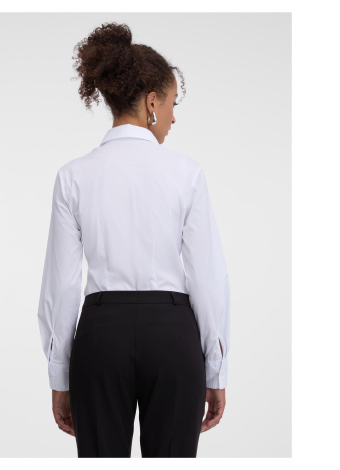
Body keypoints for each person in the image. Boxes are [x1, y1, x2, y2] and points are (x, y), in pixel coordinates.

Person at [37, 22, 230, 458]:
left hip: (100, 337)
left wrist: (59, 375)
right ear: (151, 102)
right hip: (174, 336)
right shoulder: (187, 174)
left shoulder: (73, 176)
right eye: (173, 103)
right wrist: (216, 367)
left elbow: (61, 287)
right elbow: (207, 278)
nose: (174, 117)